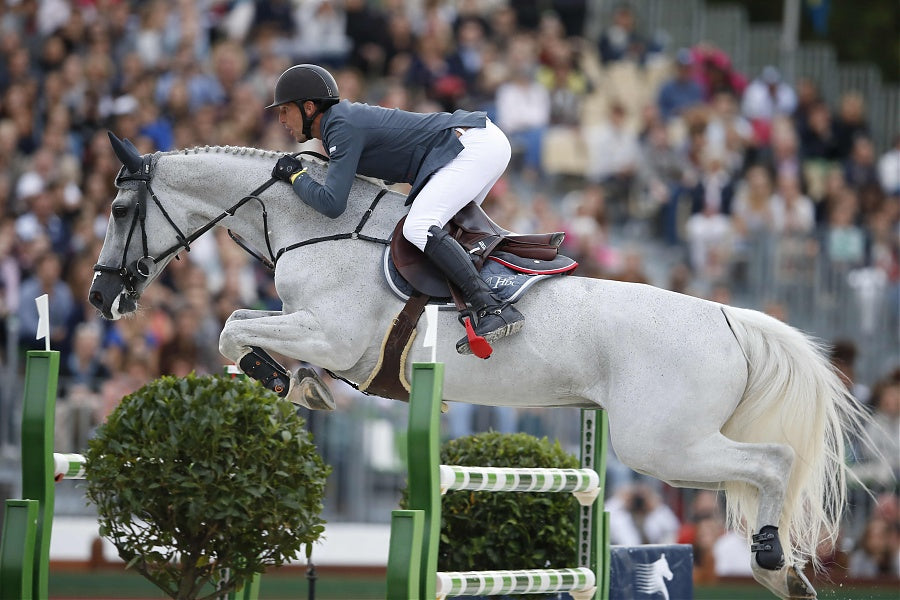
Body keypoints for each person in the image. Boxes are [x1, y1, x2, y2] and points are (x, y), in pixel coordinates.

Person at [265, 64, 523, 356]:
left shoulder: (340, 125)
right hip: (476, 143)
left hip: (472, 145)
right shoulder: (339, 125)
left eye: (285, 110)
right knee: (449, 233)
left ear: (309, 107)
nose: (281, 119)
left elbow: (332, 204)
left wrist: (296, 177)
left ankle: (493, 307)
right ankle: (497, 293)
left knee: (419, 227)